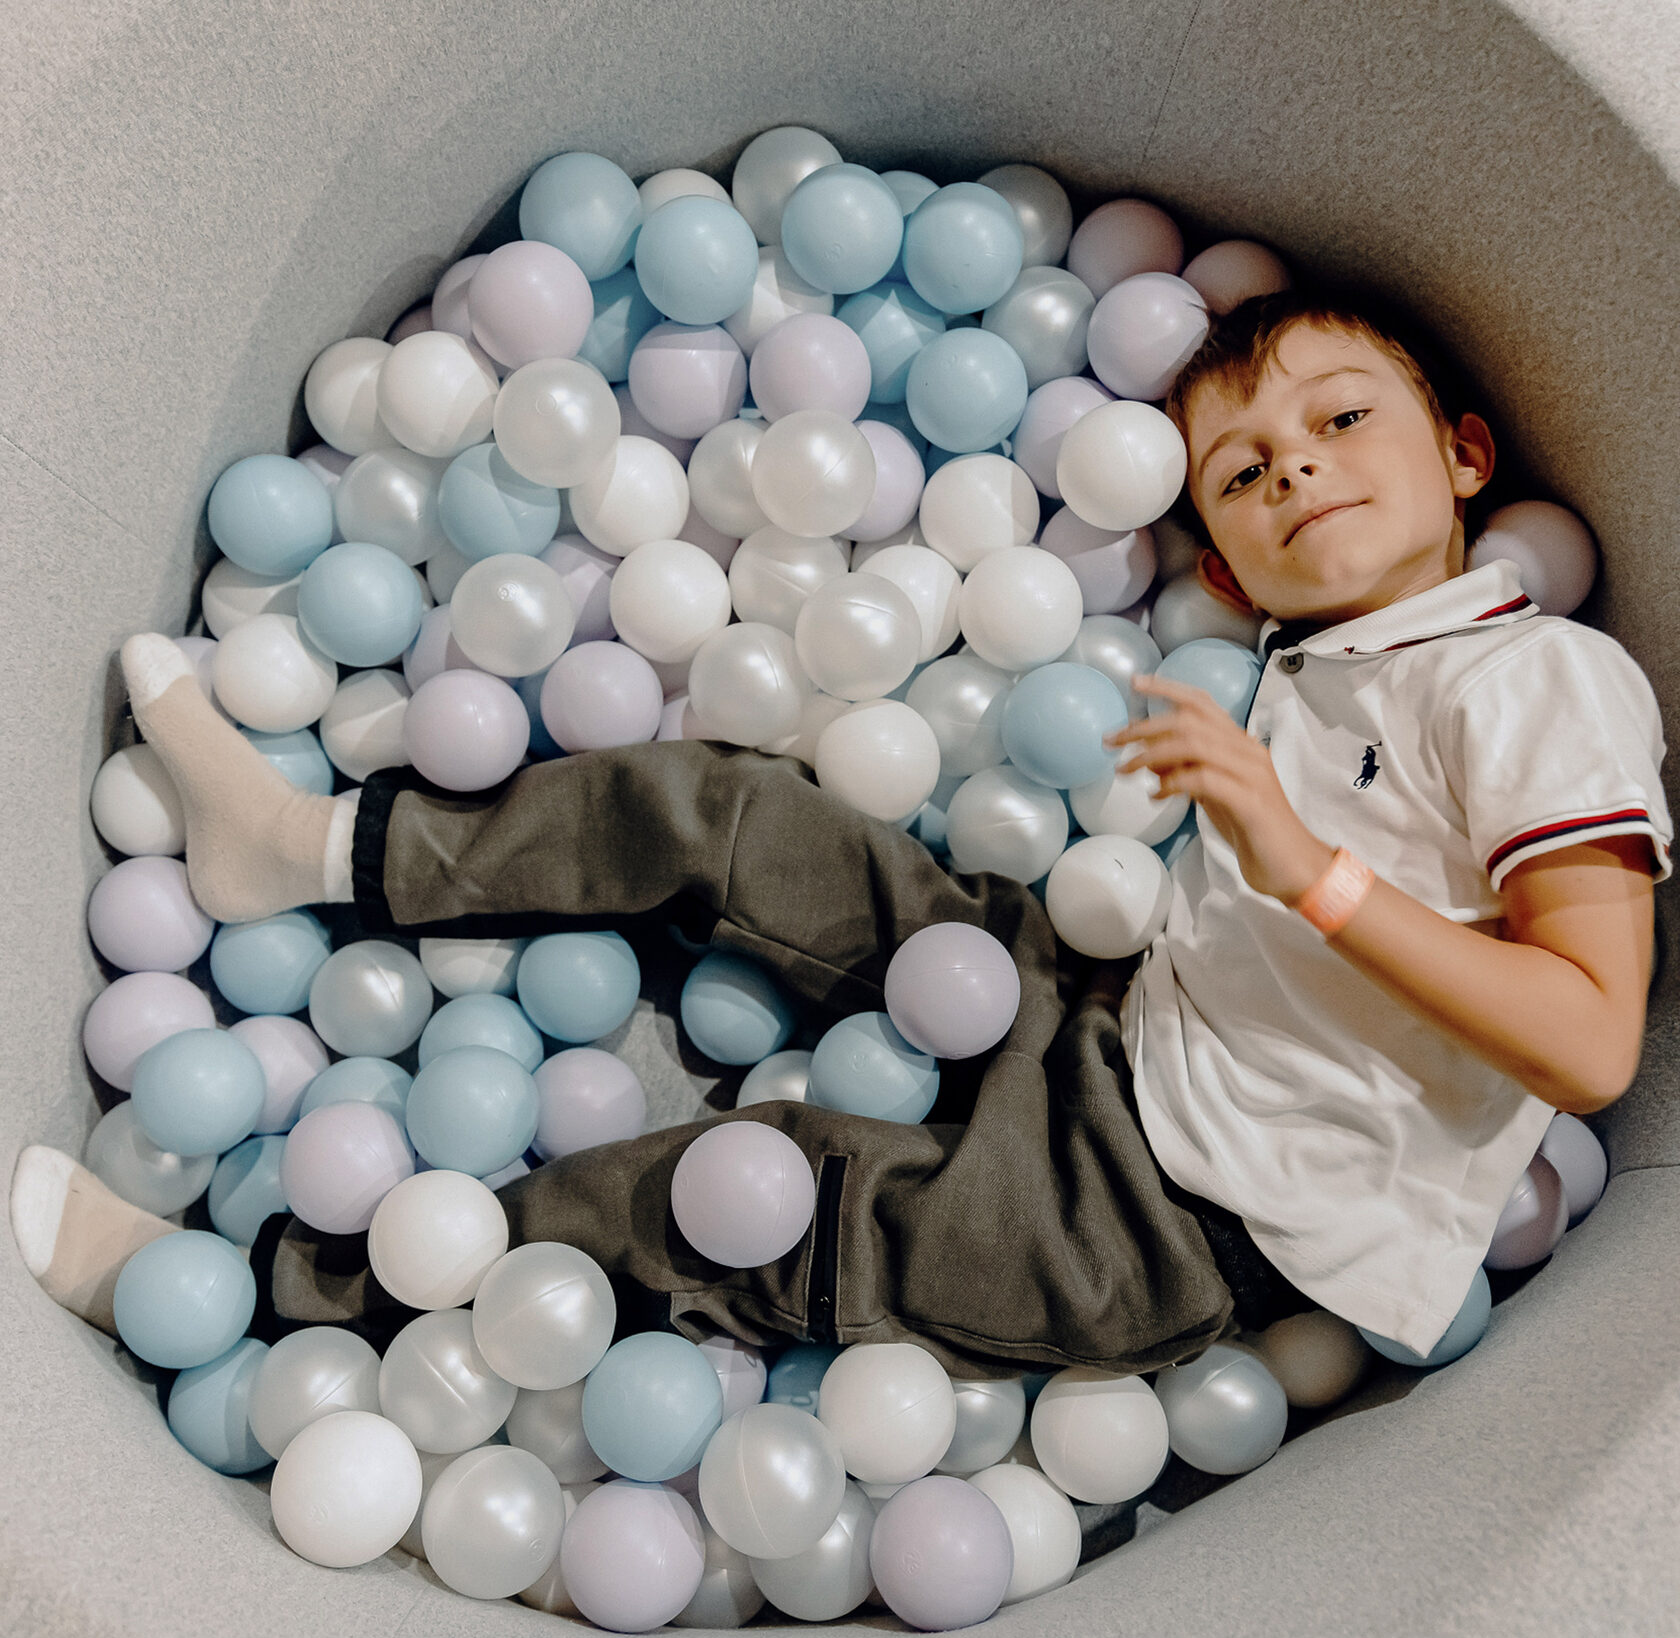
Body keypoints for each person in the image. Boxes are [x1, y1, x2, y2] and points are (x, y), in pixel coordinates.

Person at [13, 283, 1669, 1380]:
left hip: (1182, 1223)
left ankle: (237, 1292)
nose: (1295, 470)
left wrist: (1308, 870)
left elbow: (1591, 1042)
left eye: (1341, 423)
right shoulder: (1310, 661)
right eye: (1242, 474)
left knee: (735, 1195)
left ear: (1464, 453)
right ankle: (303, 846)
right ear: (1227, 575)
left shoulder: (1538, 677)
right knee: (737, 812)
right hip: (1109, 1015)